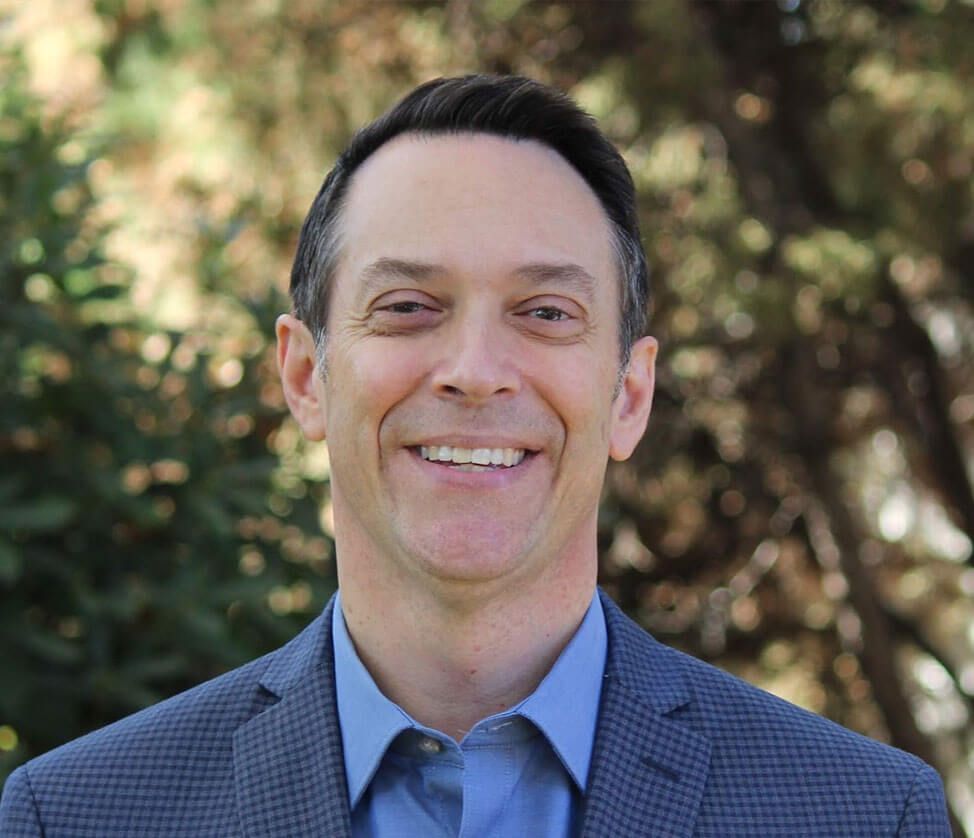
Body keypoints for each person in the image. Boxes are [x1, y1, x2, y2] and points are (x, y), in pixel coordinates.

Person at [0, 74, 951, 837]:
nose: (475, 372)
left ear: (629, 396)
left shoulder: (865, 816)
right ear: (305, 376)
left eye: (545, 313)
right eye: (409, 307)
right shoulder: (77, 817)